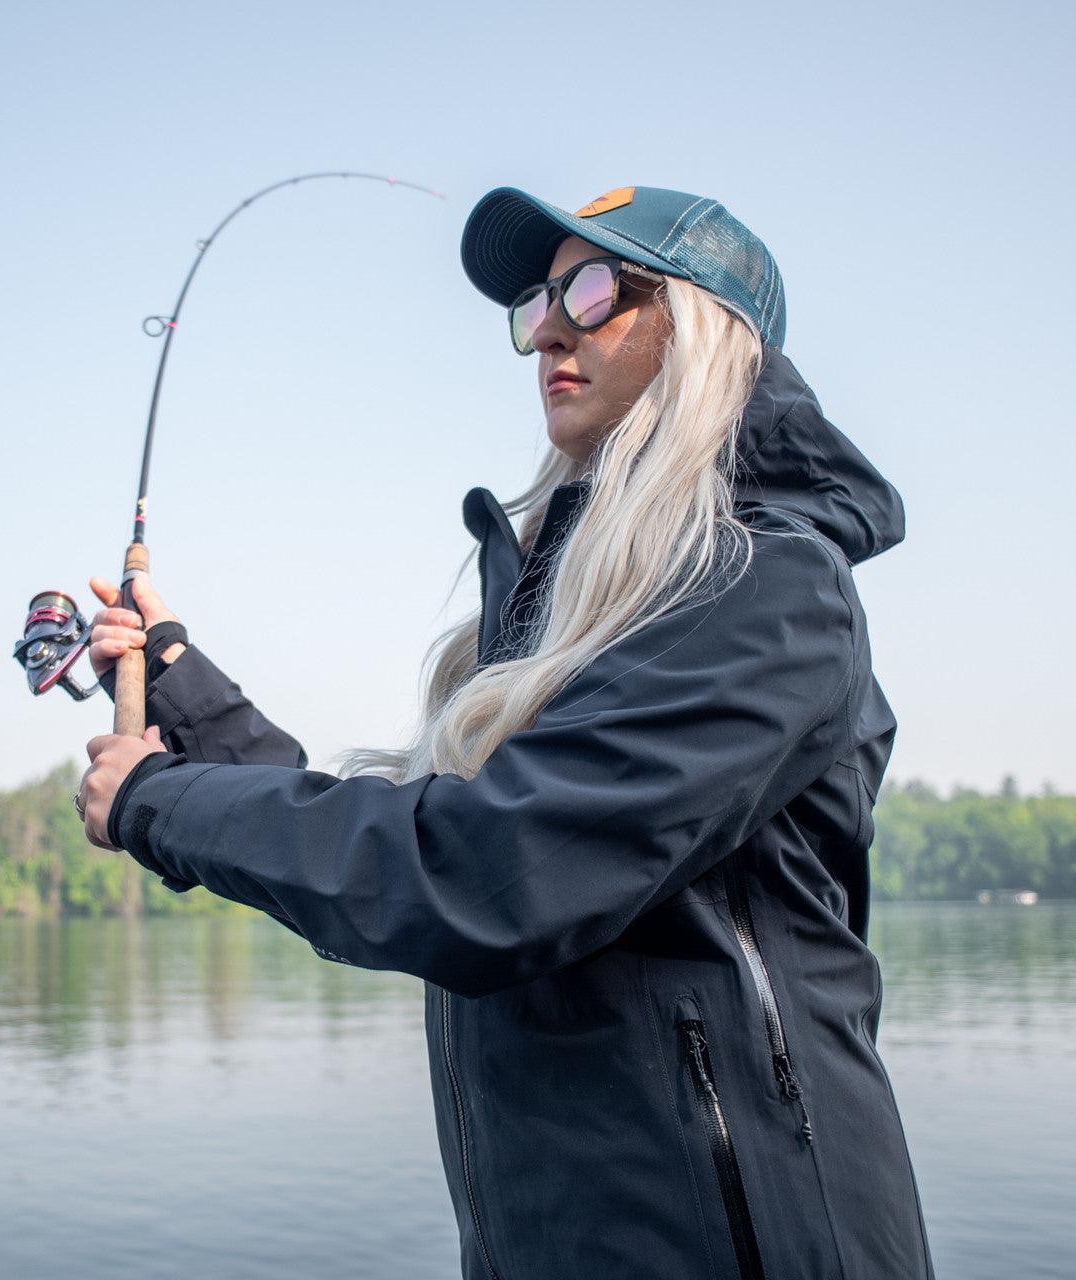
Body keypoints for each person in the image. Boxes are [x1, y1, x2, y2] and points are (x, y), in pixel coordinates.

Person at [75, 184, 936, 1280]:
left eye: (593, 289)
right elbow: (413, 833)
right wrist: (180, 684)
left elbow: (479, 876)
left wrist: (154, 802)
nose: (547, 331)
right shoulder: (569, 601)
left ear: (704, 333)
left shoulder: (764, 585)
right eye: (537, 302)